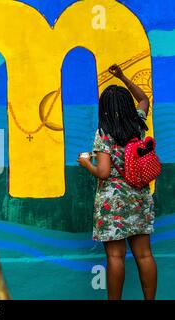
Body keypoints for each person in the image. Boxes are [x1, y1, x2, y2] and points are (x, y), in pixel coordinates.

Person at [77, 64, 157, 300]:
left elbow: (103, 172)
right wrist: (123, 77)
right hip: (140, 198)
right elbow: (143, 99)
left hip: (113, 203)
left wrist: (85, 163)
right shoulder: (139, 124)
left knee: (115, 257)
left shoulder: (104, 133)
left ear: (104, 109)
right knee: (144, 255)